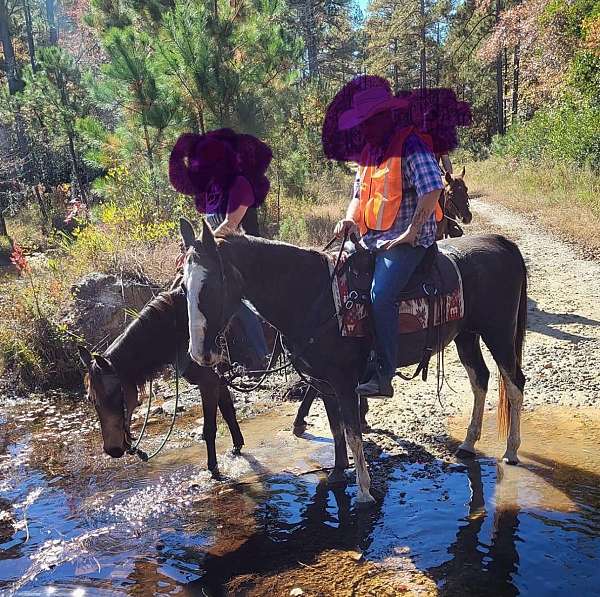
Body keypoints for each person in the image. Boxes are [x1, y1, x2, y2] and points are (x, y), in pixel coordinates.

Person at [334, 83, 444, 399]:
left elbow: (432, 189)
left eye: (370, 121)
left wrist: (411, 232)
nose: (365, 128)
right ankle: (354, 359)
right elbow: (358, 195)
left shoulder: (410, 146)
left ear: (386, 117)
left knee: (381, 294)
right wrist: (349, 218)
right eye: (362, 123)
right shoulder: (368, 155)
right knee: (341, 283)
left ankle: (384, 375)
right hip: (373, 238)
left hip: (408, 240)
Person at [169, 128, 270, 369]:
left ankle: (261, 355)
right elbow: (207, 228)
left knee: (241, 304)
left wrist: (202, 249)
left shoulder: (241, 185)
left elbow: (230, 225)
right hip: (221, 255)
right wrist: (189, 253)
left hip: (248, 256)